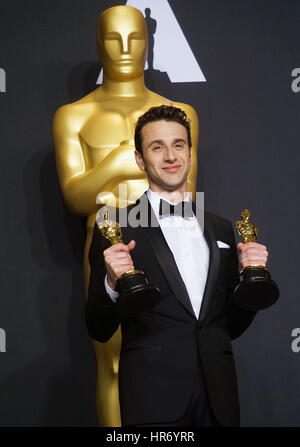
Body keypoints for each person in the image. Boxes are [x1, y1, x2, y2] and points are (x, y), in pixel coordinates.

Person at [52, 5, 199, 426]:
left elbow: (187, 194)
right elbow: (76, 197)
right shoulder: (74, 116)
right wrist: (116, 163)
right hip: (111, 243)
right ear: (98, 44)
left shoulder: (180, 114)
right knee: (113, 364)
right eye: (113, 38)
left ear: (149, 44)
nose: (124, 49)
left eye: (135, 38)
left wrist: (111, 179)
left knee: (180, 353)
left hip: (173, 242)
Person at [85, 105, 268, 427]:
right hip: (153, 401)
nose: (170, 155)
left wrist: (250, 283)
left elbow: (229, 326)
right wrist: (112, 285)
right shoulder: (116, 225)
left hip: (219, 400)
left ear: (191, 153)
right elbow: (98, 328)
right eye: (157, 147)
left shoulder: (222, 228)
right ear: (140, 160)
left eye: (178, 144)